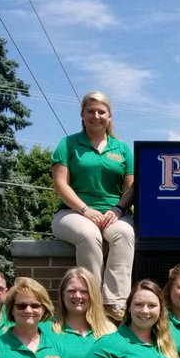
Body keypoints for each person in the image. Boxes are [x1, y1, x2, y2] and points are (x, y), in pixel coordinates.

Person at [51, 91, 135, 318]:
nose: (96, 116)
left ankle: (115, 303)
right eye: (90, 111)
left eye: (101, 112)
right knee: (89, 235)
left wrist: (117, 209)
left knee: (125, 234)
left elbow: (132, 189)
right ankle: (92, 301)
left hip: (113, 214)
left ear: (109, 116)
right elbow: (60, 185)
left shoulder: (122, 149)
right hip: (72, 213)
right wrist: (85, 210)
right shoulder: (67, 144)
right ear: (82, 115)